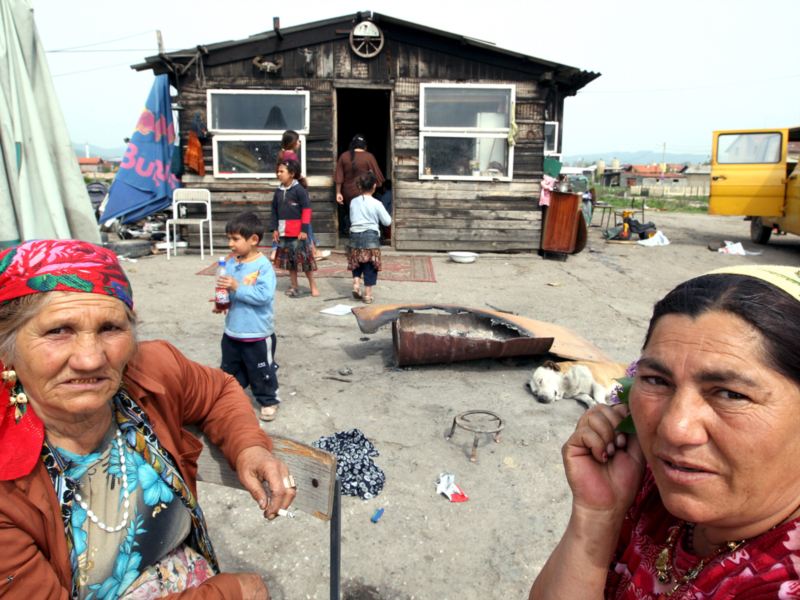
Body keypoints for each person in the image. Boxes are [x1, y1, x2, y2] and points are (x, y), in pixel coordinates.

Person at [0, 239, 297, 599]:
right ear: (7, 347)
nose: (90, 359)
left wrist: (250, 448)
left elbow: (218, 390)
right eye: (58, 331)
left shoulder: (149, 368)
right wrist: (230, 593)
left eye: (110, 328)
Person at [530, 265, 800, 599]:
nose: (674, 430)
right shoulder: (648, 486)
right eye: (657, 381)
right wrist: (597, 514)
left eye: (731, 394)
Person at [214, 212, 281, 422]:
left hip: (257, 332)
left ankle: (268, 399)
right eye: (229, 238)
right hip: (233, 329)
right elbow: (228, 289)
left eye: (235, 239)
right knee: (229, 369)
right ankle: (229, 396)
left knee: (261, 370)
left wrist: (237, 286)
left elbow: (264, 296)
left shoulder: (263, 266)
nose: (230, 244)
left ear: (253, 239)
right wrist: (223, 301)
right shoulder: (231, 263)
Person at [275, 130, 329, 262]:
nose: (299, 142)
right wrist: (302, 182)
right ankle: (312, 251)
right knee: (304, 218)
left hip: (287, 191)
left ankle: (275, 251)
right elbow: (295, 173)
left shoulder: (282, 155)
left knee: (283, 221)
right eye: (297, 140)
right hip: (294, 191)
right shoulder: (291, 156)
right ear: (292, 143)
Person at [272, 158, 319, 297]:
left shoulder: (299, 190)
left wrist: (304, 230)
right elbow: (274, 211)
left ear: (291, 173)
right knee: (290, 262)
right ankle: (294, 286)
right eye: (277, 171)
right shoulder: (278, 191)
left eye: (282, 171)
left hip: (298, 233)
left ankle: (313, 285)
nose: (278, 174)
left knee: (305, 260)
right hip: (283, 232)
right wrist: (275, 229)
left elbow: (306, 210)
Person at [347, 171, 392, 304]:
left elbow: (352, 218)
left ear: (360, 186)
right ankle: (367, 295)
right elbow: (387, 222)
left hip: (354, 235)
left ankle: (356, 283)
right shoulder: (376, 203)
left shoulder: (353, 202)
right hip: (370, 236)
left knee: (356, 261)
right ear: (374, 186)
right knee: (370, 266)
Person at [334, 134, 385, 237]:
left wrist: (338, 193)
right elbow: (378, 177)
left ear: (352, 145)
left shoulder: (344, 156)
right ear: (365, 146)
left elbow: (339, 177)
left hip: (348, 193)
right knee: (366, 215)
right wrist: (375, 186)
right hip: (365, 192)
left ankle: (352, 235)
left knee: (351, 214)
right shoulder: (368, 157)